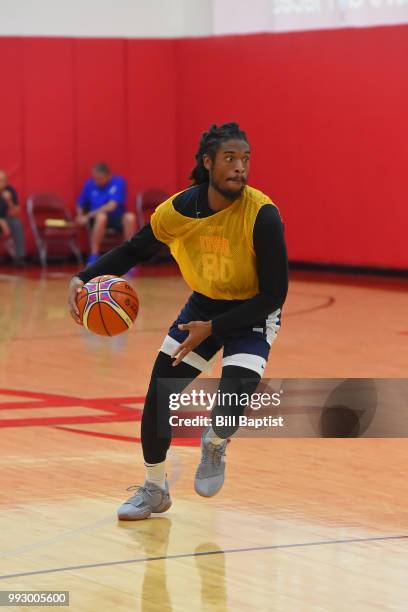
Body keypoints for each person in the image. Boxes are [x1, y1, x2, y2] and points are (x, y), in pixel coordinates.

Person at [68, 122, 288, 520]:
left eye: (245, 159)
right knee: (158, 395)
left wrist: (216, 329)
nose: (240, 167)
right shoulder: (178, 211)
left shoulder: (263, 215)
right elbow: (135, 248)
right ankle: (154, 489)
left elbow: (274, 295)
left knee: (235, 393)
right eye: (230, 158)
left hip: (253, 309)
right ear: (208, 163)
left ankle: (216, 441)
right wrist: (83, 276)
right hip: (204, 306)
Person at [76, 162, 136, 265]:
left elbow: (111, 206)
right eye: (95, 178)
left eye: (99, 178)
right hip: (97, 220)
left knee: (130, 217)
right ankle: (94, 256)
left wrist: (88, 215)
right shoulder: (90, 184)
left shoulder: (118, 182)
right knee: (101, 217)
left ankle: (129, 256)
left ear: (108, 175)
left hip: (115, 217)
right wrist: (80, 216)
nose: (96, 181)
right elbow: (80, 203)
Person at [0, 170, 26, 266]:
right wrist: (1, 222)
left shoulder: (10, 191)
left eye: (3, 181)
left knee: (17, 223)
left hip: (6, 220)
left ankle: (19, 257)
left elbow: (16, 214)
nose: (1, 184)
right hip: (1, 221)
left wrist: (9, 201)